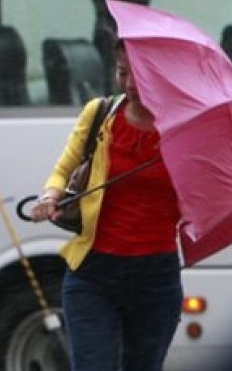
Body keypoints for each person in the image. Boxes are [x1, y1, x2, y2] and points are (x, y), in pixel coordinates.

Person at [30, 38, 182, 371]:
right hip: (93, 274)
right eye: (121, 71)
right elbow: (63, 170)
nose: (129, 83)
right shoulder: (100, 115)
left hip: (157, 278)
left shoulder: (182, 131)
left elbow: (199, 197)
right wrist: (50, 198)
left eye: (139, 74)